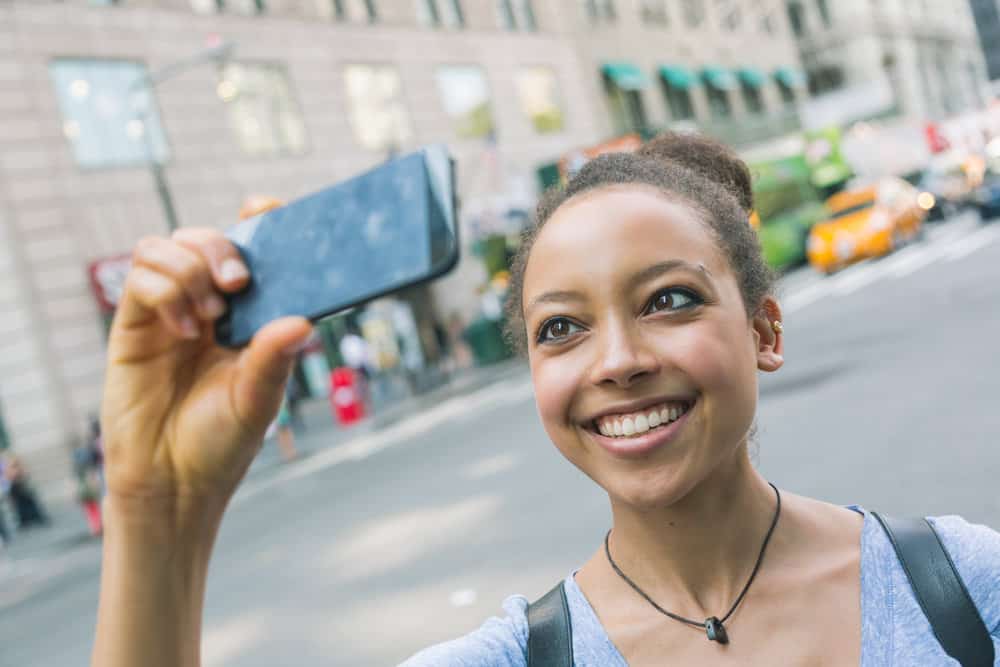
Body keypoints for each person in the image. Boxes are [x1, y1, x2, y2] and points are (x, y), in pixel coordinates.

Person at [91, 133, 1000, 666]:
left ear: (763, 329)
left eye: (669, 300)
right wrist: (155, 512)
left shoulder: (962, 587)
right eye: (560, 327)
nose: (618, 359)